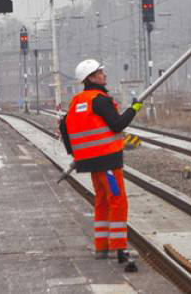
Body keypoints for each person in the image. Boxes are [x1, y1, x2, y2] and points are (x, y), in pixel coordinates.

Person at [58, 60, 142, 268]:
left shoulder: (77, 101)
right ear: (92, 78)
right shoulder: (100, 100)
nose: (104, 75)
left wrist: (76, 154)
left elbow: (64, 126)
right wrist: (134, 109)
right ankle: (120, 249)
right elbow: (117, 125)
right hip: (109, 165)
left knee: (103, 201)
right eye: (100, 72)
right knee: (117, 200)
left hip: (92, 164)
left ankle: (101, 247)